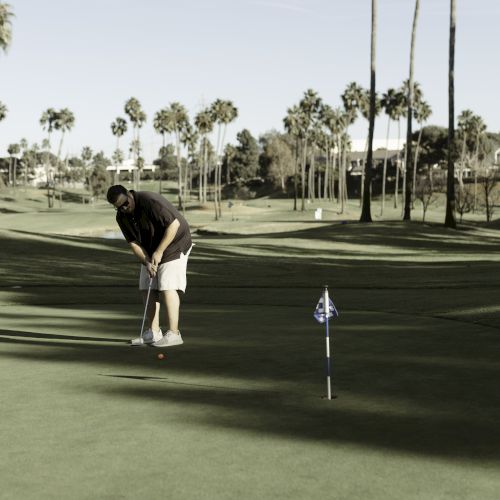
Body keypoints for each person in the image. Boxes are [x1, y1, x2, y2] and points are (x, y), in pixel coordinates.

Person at [106, 185, 193, 347]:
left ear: (129, 194)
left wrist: (159, 252)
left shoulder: (149, 201)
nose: (124, 208)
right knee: (146, 286)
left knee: (167, 285)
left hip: (176, 242)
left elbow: (173, 226)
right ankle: (153, 332)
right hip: (152, 248)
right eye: (119, 207)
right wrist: (146, 261)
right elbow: (133, 242)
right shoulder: (122, 216)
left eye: (125, 204)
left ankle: (174, 334)